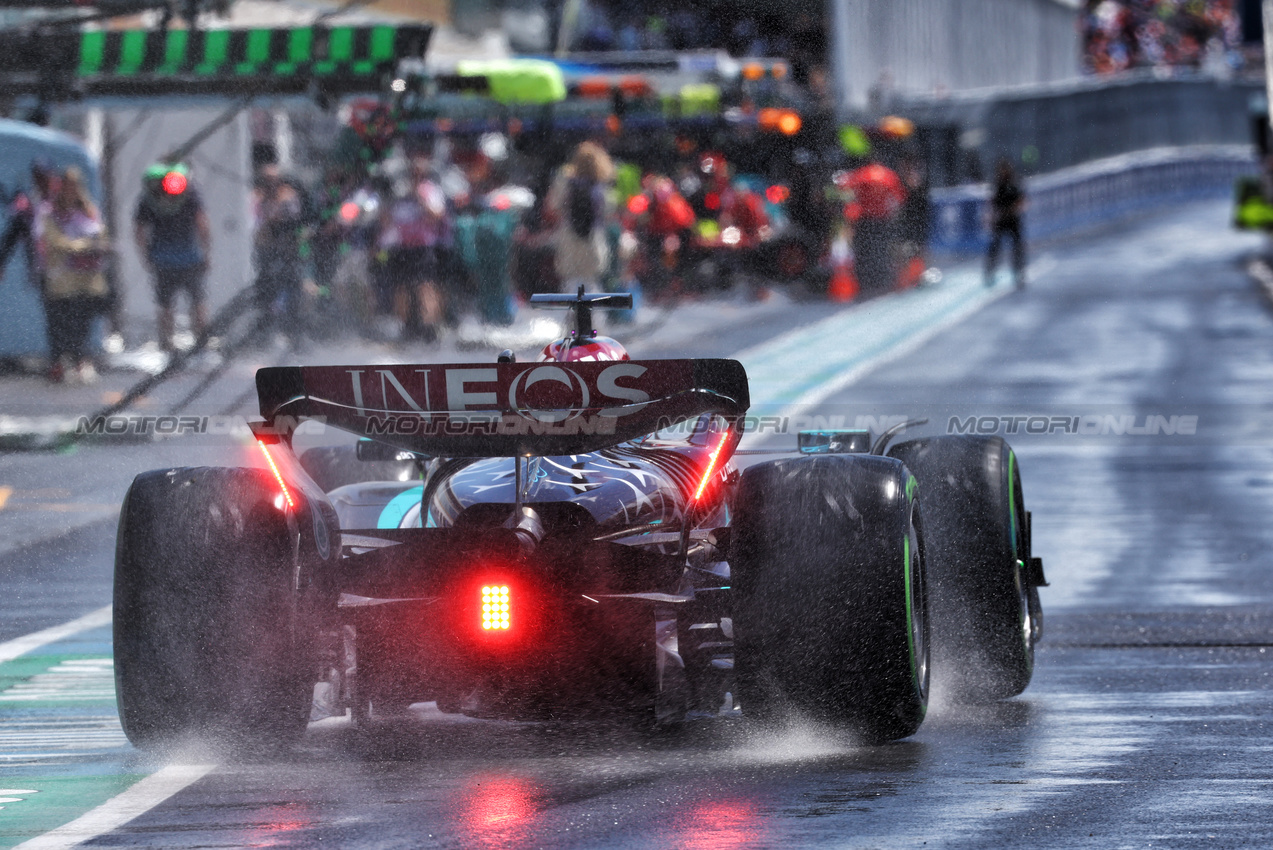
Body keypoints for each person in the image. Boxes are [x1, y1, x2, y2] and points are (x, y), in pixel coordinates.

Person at [40, 167, 110, 384]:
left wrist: (96, 245)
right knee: (59, 324)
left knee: (82, 324)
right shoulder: (52, 214)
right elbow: (55, 242)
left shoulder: (88, 211)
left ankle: (81, 361)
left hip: (87, 280)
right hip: (61, 281)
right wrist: (80, 245)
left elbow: (100, 235)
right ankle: (58, 364)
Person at [134, 163, 211, 351]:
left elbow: (139, 232)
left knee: (165, 304)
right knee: (197, 301)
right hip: (190, 258)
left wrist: (146, 256)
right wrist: (206, 253)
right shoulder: (191, 195)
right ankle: (201, 342)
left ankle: (167, 342)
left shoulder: (148, 199)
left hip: (162, 260)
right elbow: (203, 226)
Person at [376, 152, 449, 342]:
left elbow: (437, 216)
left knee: (426, 285)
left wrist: (420, 199)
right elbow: (386, 218)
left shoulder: (430, 190)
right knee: (402, 287)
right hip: (402, 246)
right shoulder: (399, 191)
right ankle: (405, 325)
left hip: (423, 246)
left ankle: (429, 326)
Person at [252, 162, 308, 345]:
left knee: (293, 292)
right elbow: (257, 223)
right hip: (267, 251)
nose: (271, 184)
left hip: (288, 252)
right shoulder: (258, 197)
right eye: (267, 180)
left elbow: (292, 218)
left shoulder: (288, 196)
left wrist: (276, 213)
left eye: (274, 180)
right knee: (266, 292)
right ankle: (265, 334)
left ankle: (294, 334)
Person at [547, 141, 613, 293]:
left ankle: (574, 312)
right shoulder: (600, 184)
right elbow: (608, 210)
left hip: (569, 232)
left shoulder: (565, 180)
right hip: (593, 234)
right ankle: (592, 314)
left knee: (571, 279)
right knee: (590, 279)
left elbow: (554, 205)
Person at [844, 159, 906, 294]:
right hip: (882, 220)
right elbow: (899, 198)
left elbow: (848, 195)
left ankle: (865, 281)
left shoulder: (860, 175)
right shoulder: (888, 175)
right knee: (882, 251)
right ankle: (882, 280)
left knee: (863, 251)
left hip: (865, 221)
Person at [985, 158, 1026, 289]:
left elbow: (1021, 201)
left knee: (1017, 248)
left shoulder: (1015, 182)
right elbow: (992, 202)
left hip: (1013, 220)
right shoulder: (997, 184)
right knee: (994, 247)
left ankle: (1019, 273)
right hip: (1001, 220)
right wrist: (992, 217)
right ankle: (990, 272)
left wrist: (1012, 210)